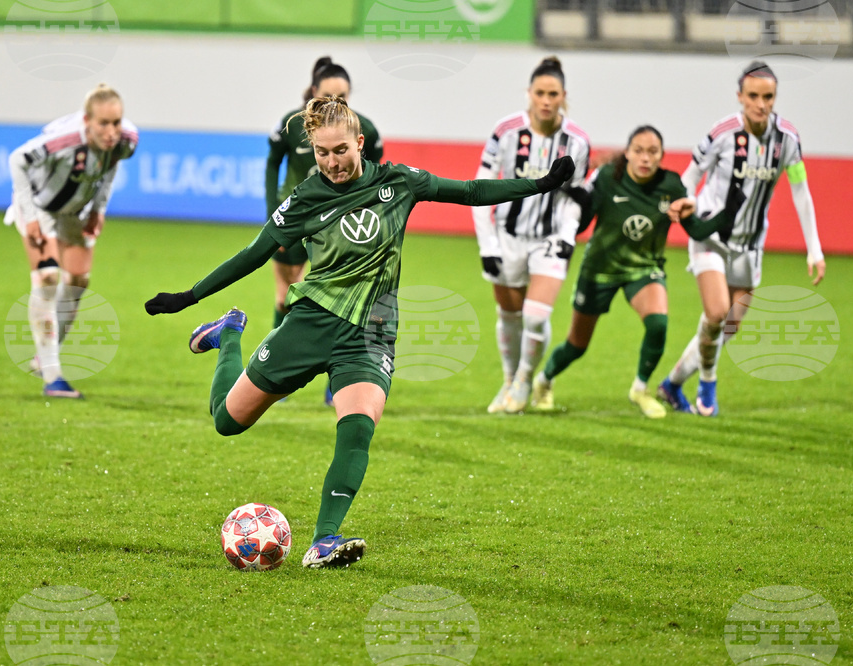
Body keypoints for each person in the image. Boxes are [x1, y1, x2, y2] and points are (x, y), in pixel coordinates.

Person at [145, 96, 574, 569]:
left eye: (340, 150)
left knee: (357, 428)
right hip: (310, 324)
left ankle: (325, 539)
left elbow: (470, 190)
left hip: (372, 331)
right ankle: (229, 333)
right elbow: (255, 253)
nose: (332, 162)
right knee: (227, 422)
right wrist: (191, 295)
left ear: (361, 143)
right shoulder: (305, 198)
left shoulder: (399, 182)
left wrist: (541, 184)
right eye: (322, 153)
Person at [656, 61, 826, 417]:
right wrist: (686, 199)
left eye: (768, 97)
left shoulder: (788, 140)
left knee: (730, 324)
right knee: (716, 313)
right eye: (753, 96)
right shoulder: (722, 133)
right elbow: (691, 175)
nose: (761, 104)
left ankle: (672, 384)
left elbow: (801, 190)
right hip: (711, 234)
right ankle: (708, 385)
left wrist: (814, 248)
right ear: (740, 96)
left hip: (750, 244)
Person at [531, 126, 724, 418]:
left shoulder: (672, 185)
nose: (645, 158)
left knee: (658, 324)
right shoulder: (609, 177)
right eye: (638, 151)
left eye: (652, 152)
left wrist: (728, 208)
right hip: (600, 269)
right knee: (577, 345)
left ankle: (640, 388)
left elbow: (695, 229)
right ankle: (543, 381)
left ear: (662, 155)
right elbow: (582, 224)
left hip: (643, 268)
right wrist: (573, 192)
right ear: (628, 152)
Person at [472, 56, 591, 414]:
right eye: (539, 92)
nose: (546, 100)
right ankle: (509, 381)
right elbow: (480, 187)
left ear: (563, 96)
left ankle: (524, 380)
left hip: (549, 238)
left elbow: (577, 196)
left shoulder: (578, 141)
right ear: (529, 94)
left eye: (553, 93)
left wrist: (568, 235)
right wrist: (487, 243)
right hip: (507, 237)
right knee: (509, 315)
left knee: (536, 316)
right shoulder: (505, 132)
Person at [5, 83, 138, 399]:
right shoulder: (64, 141)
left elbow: (110, 166)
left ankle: (44, 355)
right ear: (87, 120)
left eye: (116, 122)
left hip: (76, 211)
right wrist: (31, 216)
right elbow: (17, 160)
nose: (110, 131)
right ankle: (52, 376)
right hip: (39, 206)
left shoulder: (128, 140)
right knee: (48, 277)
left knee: (78, 281)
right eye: (103, 123)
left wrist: (99, 208)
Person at [264, 56, 383, 406]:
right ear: (313, 93)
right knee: (285, 295)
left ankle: (338, 379)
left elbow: (375, 176)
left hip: (340, 225)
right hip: (296, 218)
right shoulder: (289, 125)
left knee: (337, 300)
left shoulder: (367, 131)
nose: (336, 104)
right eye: (329, 96)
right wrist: (272, 213)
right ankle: (275, 374)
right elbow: (272, 164)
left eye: (343, 98)